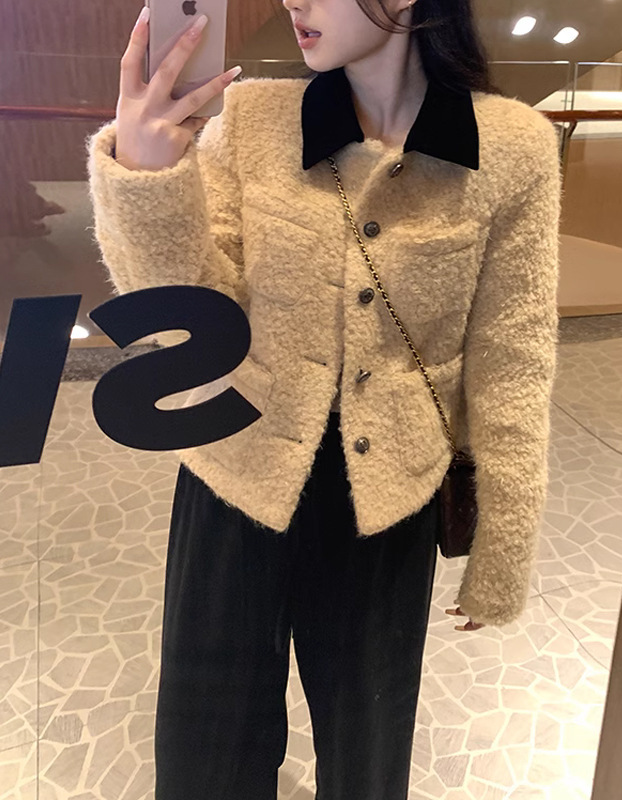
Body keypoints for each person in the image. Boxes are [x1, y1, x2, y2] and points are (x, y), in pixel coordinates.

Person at [86, 0, 561, 797]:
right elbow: (186, 324)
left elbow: (513, 356)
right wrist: (147, 176)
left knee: (367, 754)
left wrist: (503, 546)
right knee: (206, 751)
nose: (293, 0)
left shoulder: (513, 148)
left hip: (388, 500)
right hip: (235, 478)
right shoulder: (253, 120)